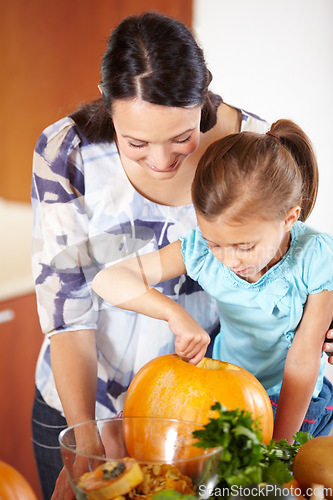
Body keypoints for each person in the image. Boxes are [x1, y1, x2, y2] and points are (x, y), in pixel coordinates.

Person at [31, 10, 333, 499]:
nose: (162, 161)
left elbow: (294, 260)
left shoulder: (250, 148)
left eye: (181, 138)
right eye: (136, 143)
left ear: (203, 102)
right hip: (88, 406)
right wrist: (86, 445)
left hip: (210, 419)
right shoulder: (67, 152)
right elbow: (70, 309)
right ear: (110, 110)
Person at [92, 119, 333, 444]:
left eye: (245, 246)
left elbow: (304, 358)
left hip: (293, 399)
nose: (229, 261)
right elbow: (109, 279)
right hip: (225, 392)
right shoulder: (201, 251)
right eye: (216, 243)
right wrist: (174, 315)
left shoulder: (316, 257)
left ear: (289, 218)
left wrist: (278, 444)